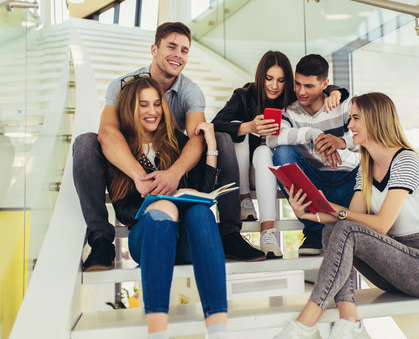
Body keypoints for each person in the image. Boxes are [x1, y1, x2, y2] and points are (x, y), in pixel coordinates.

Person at [73, 22, 264, 272]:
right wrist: (139, 176)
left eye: (184, 50)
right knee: (85, 143)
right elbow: (107, 133)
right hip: (128, 160)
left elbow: (197, 137)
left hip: (167, 156)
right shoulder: (121, 86)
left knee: (222, 140)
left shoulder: (190, 91)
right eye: (171, 47)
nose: (178, 55)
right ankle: (100, 239)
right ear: (154, 49)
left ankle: (229, 233)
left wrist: (174, 175)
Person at [274, 92, 419, 339]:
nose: (349, 125)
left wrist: (336, 209)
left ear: (375, 120)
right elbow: (350, 217)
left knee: (345, 228)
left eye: (355, 118)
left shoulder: (405, 160)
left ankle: (306, 322)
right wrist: (309, 214)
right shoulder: (365, 168)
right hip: (391, 266)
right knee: (333, 229)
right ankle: (349, 321)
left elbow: (381, 225)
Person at [99, 76, 228, 338]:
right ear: (129, 109)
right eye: (143, 105)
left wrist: (211, 147)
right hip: (146, 236)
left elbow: (202, 190)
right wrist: (155, 203)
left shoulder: (176, 142)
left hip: (188, 237)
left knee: (201, 211)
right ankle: (157, 333)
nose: (152, 111)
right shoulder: (120, 149)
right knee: (165, 210)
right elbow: (123, 210)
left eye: (157, 104)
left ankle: (218, 330)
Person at [212, 51, 348, 258]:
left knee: (265, 150)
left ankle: (267, 232)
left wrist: (335, 91)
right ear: (260, 77)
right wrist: (249, 126)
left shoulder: (295, 98)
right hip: (246, 170)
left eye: (281, 80)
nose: (274, 86)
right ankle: (244, 199)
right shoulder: (244, 95)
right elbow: (215, 125)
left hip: (274, 166)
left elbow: (319, 89)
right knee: (240, 130)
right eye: (269, 78)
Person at [267, 54, 358, 256]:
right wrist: (310, 134)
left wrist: (342, 142)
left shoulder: (344, 106)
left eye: (308, 86)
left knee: (373, 157)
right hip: (314, 184)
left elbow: (373, 137)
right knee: (282, 153)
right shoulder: (288, 112)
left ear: (325, 84)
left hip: (348, 182)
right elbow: (271, 140)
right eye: (298, 84)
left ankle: (351, 226)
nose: (301, 91)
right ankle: (314, 230)